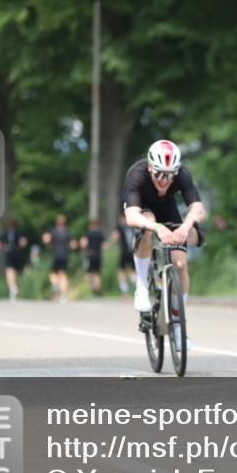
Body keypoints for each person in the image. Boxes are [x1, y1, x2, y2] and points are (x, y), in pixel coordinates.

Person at [122, 139, 205, 348]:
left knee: (180, 264)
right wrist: (158, 228)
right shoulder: (137, 174)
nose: (164, 180)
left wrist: (185, 228)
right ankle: (141, 286)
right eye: (158, 173)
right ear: (150, 167)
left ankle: (178, 324)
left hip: (167, 209)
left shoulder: (182, 175)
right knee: (147, 224)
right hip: (144, 209)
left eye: (169, 175)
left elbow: (197, 209)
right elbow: (132, 216)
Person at [42, 214, 75, 303]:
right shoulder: (67, 232)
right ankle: (63, 296)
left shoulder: (53, 231)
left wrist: (48, 245)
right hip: (65, 255)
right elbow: (73, 245)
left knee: (53, 273)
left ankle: (56, 285)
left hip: (56, 255)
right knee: (63, 275)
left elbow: (46, 239)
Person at [0, 218, 28, 302]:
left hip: (16, 253)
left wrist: (20, 246)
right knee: (9, 270)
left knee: (14, 271)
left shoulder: (18, 233)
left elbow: (23, 242)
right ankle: (12, 287)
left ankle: (13, 286)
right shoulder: (4, 233)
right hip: (8, 253)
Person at [81, 218, 106, 297]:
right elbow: (105, 246)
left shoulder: (88, 233)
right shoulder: (100, 234)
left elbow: (83, 244)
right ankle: (96, 292)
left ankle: (91, 289)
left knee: (88, 273)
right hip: (98, 255)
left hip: (90, 255)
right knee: (97, 274)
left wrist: (84, 250)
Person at [113, 214, 136, 296]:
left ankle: (125, 291)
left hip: (124, 252)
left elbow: (115, 238)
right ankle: (136, 288)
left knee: (121, 271)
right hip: (134, 251)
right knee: (133, 271)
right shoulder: (133, 226)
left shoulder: (119, 227)